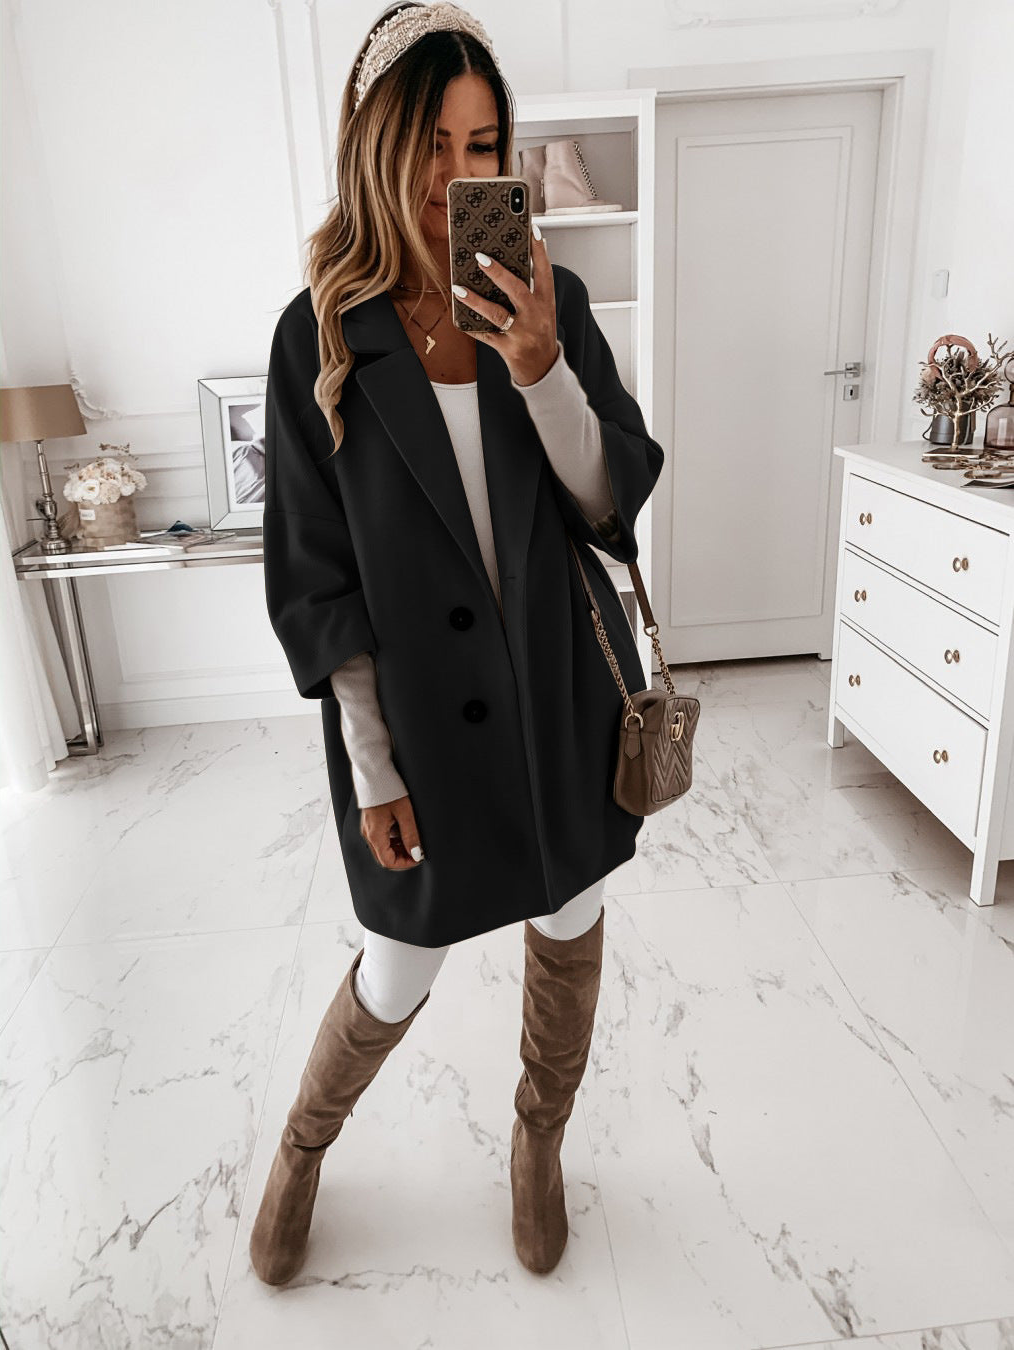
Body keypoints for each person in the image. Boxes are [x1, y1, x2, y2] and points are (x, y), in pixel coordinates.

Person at [251, 0, 665, 1286]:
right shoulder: (319, 334)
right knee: (398, 960)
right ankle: (304, 1146)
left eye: (484, 145)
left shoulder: (551, 300)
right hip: (421, 718)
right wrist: (374, 769)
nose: (458, 175)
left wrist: (542, 368)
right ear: (376, 141)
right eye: (432, 141)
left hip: (558, 690)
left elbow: (605, 506)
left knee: (573, 913)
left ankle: (538, 1142)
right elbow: (317, 581)